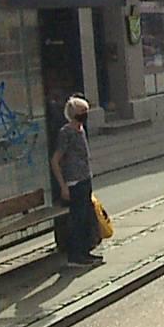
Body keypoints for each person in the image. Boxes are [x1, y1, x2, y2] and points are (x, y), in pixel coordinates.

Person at [51, 95, 103, 267]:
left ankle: (85, 251)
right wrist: (63, 186)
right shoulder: (66, 132)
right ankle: (75, 256)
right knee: (77, 219)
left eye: (86, 111)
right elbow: (55, 160)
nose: (85, 115)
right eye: (82, 111)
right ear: (73, 113)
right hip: (74, 182)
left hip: (85, 178)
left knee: (86, 217)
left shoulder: (81, 130)